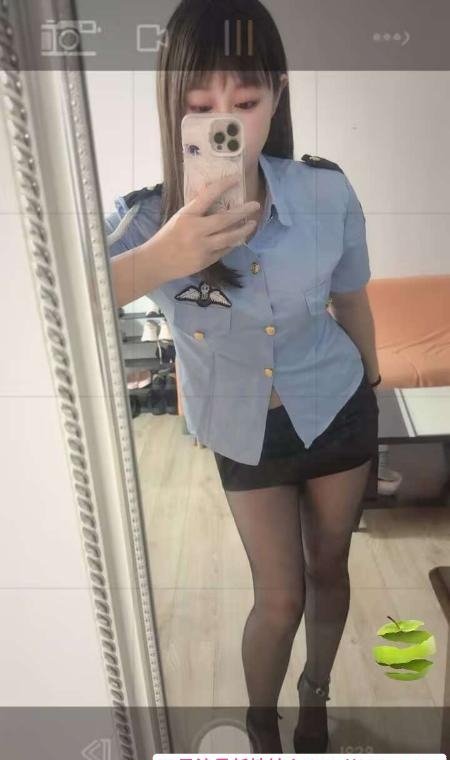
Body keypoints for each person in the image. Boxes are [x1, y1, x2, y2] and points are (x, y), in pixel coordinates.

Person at [105, 0, 382, 752]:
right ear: (173, 107)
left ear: (278, 96)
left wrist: (373, 379)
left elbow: (352, 299)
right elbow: (55, 310)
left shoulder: (325, 192)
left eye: (247, 102)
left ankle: (316, 698)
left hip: (336, 407)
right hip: (242, 431)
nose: (224, 122)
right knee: (280, 596)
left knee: (331, 568)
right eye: (200, 106)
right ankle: (263, 724)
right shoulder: (140, 224)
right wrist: (164, 256)